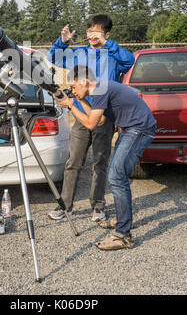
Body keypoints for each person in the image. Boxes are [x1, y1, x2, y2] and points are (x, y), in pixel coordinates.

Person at [55, 65, 156, 250]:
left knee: (117, 176)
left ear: (84, 81)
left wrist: (70, 105)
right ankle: (123, 219)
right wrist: (81, 99)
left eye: (74, 86)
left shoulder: (102, 89)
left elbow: (91, 124)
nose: (73, 90)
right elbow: (100, 119)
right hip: (132, 129)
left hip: (139, 130)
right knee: (117, 175)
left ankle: (123, 235)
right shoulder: (99, 90)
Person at [47, 14, 135, 222]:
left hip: (105, 116)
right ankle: (65, 206)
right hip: (81, 114)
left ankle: (98, 207)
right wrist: (63, 42)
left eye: (96, 32)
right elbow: (53, 58)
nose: (91, 35)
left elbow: (130, 60)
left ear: (106, 34)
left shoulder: (114, 54)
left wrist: (108, 45)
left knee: (100, 162)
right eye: (89, 31)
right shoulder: (80, 53)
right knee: (74, 162)